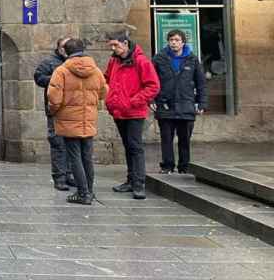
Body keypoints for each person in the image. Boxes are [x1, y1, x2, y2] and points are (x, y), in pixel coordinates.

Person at [47, 38, 108, 205]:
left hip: (68, 119)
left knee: (74, 157)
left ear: (66, 52)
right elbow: (103, 91)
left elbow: (54, 97)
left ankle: (83, 193)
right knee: (87, 157)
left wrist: (53, 111)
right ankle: (89, 190)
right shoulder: (95, 70)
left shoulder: (61, 71)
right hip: (88, 118)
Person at [104, 30, 160, 200]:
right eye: (111, 45)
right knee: (128, 146)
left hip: (134, 111)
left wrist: (133, 101)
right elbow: (107, 79)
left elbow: (153, 86)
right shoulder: (114, 60)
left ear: (125, 43)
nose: (113, 48)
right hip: (119, 110)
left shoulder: (141, 61)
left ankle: (139, 183)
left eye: (115, 45)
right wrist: (110, 99)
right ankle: (130, 180)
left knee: (135, 147)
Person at [152, 29, 206, 174]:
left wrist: (201, 103)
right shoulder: (159, 59)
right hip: (165, 104)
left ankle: (184, 166)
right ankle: (167, 165)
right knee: (166, 139)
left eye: (177, 40)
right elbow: (151, 81)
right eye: (171, 40)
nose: (174, 43)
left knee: (184, 139)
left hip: (186, 105)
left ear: (183, 42)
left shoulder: (192, 59)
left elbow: (201, 83)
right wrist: (151, 99)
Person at [34, 37, 76, 191]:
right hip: (55, 109)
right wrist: (56, 79)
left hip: (73, 109)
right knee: (58, 143)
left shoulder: (76, 62)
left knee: (72, 143)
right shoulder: (49, 62)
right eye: (63, 47)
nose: (65, 50)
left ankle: (70, 174)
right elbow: (39, 78)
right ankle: (59, 177)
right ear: (58, 48)